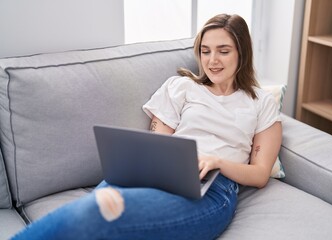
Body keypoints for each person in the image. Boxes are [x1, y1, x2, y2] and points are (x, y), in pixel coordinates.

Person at [11, 13, 282, 240]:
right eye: (205, 51)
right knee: (91, 213)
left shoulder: (260, 103)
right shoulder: (183, 87)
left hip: (214, 190)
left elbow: (259, 174)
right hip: (163, 173)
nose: (212, 61)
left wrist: (217, 162)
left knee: (94, 214)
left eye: (224, 51)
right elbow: (159, 143)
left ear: (242, 52)